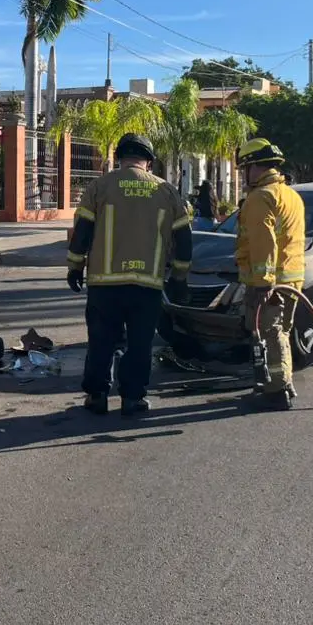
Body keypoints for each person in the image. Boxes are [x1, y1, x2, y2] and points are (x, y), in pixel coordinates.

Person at [66, 133, 194, 416]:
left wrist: (75, 266)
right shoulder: (167, 191)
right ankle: (133, 399)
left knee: (101, 340)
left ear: (119, 158)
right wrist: (179, 278)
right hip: (147, 285)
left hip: (104, 284)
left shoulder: (99, 186)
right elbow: (184, 239)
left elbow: (82, 232)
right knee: (140, 344)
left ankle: (97, 395)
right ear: (148, 162)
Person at [235, 138, 305, 410]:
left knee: (270, 332)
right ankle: (283, 382)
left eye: (245, 169)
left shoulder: (261, 197)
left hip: (270, 282)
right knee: (281, 333)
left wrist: (263, 283)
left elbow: (264, 241)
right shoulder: (291, 195)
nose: (244, 175)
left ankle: (276, 392)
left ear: (255, 168)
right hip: (292, 278)